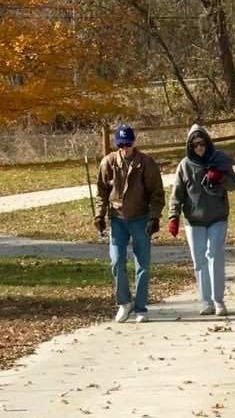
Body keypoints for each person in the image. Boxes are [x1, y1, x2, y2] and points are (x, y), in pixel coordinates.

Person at [167, 124, 235, 316]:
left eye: (202, 144)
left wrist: (221, 177)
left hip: (217, 217)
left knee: (214, 256)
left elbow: (234, 185)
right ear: (189, 147)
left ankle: (218, 301)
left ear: (208, 143)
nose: (199, 148)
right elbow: (177, 194)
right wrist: (173, 216)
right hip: (194, 220)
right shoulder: (184, 165)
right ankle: (206, 301)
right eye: (195, 145)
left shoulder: (220, 160)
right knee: (199, 260)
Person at [94, 124, 164, 323]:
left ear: (134, 143)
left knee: (142, 264)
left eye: (128, 144)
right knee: (116, 261)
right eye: (121, 144)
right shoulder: (108, 162)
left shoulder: (147, 163)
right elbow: (101, 193)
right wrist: (99, 216)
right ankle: (125, 303)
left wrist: (154, 217)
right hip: (117, 219)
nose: (125, 148)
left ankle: (141, 307)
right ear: (117, 144)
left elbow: (157, 194)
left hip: (141, 218)